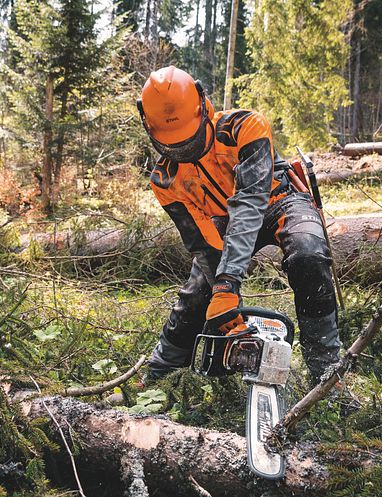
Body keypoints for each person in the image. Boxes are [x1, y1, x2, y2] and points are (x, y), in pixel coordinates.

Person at [137, 65, 340, 386]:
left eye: (190, 141)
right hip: (224, 223)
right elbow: (201, 240)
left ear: (204, 107)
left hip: (278, 199)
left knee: (308, 253)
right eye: (175, 146)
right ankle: (159, 377)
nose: (185, 151)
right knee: (196, 294)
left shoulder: (245, 126)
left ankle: (327, 372)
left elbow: (250, 199)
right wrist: (221, 291)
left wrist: (228, 282)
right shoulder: (165, 179)